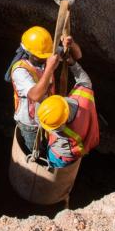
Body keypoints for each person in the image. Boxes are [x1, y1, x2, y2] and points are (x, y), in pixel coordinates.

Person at [35, 37, 100, 168]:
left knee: (53, 164)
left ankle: (53, 169)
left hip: (63, 154)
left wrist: (48, 71)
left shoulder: (63, 130)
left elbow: (41, 121)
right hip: (87, 137)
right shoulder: (84, 95)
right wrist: (71, 62)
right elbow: (83, 78)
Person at [5, 26, 60, 152]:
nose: (45, 58)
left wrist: (71, 44)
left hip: (47, 117)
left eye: (47, 55)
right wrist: (49, 68)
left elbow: (77, 55)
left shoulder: (45, 54)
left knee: (48, 148)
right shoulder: (20, 71)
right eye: (41, 56)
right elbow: (36, 96)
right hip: (30, 125)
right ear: (29, 53)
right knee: (36, 154)